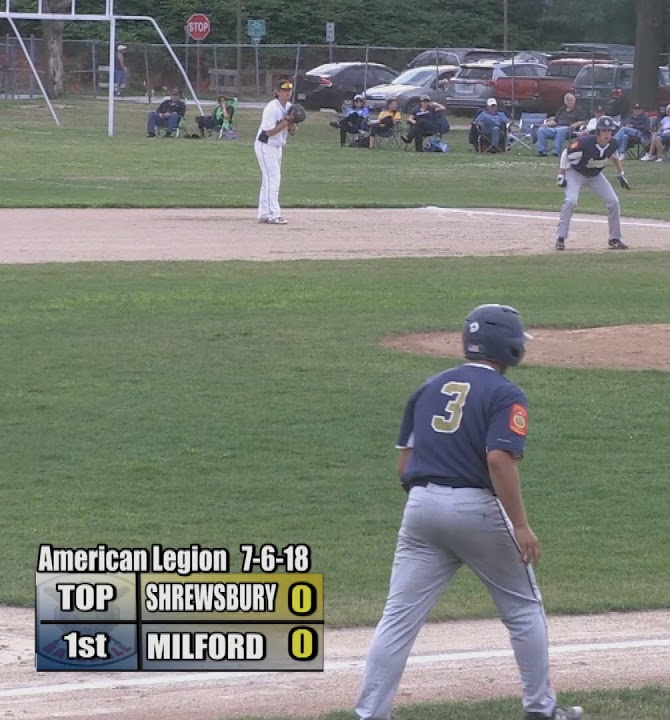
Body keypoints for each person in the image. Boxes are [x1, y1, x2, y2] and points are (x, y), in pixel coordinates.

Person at [353, 303, 584, 720]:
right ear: (510, 347)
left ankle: (370, 714)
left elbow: (404, 466)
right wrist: (521, 525)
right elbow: (499, 459)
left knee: (398, 620)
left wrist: (430, 499)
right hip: (475, 510)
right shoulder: (505, 393)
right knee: (523, 608)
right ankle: (540, 709)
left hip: (420, 509)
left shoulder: (428, 387)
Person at [554, 117, 630, 252]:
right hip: (576, 173)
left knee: (613, 201)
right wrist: (561, 174)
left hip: (595, 175)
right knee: (571, 201)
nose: (607, 133)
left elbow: (614, 156)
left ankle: (614, 239)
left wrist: (621, 174)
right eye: (604, 130)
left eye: (610, 130)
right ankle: (560, 237)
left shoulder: (613, 143)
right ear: (598, 132)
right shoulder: (585, 142)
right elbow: (566, 153)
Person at [254, 80, 298, 225]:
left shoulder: (290, 107)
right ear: (277, 92)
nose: (287, 93)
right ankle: (274, 214)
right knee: (274, 178)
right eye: (284, 90)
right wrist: (285, 122)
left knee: (268, 179)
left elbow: (292, 131)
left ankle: (264, 213)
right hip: (265, 145)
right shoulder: (271, 108)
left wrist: (292, 123)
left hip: (277, 147)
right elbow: (268, 132)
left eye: (289, 90)